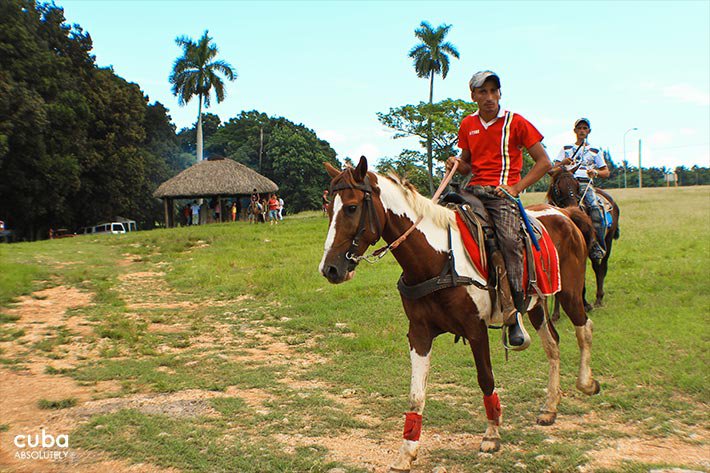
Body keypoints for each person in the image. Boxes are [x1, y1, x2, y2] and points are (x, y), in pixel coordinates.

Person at [446, 70, 552, 351]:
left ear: (500, 94)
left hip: (501, 195)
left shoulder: (516, 123)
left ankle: (514, 312)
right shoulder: (467, 124)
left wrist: (516, 189)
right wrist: (456, 163)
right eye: (483, 92)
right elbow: (468, 163)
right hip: (472, 191)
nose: (490, 97)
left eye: (494, 91)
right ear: (474, 96)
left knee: (507, 241)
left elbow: (544, 162)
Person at [552, 118, 609, 262]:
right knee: (550, 206)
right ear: (575, 131)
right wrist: (563, 163)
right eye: (579, 128)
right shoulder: (566, 149)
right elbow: (552, 170)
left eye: (585, 128)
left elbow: (606, 172)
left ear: (588, 131)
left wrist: (595, 172)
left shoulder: (595, 151)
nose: (582, 131)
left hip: (584, 183)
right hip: (567, 181)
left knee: (594, 207)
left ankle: (598, 245)